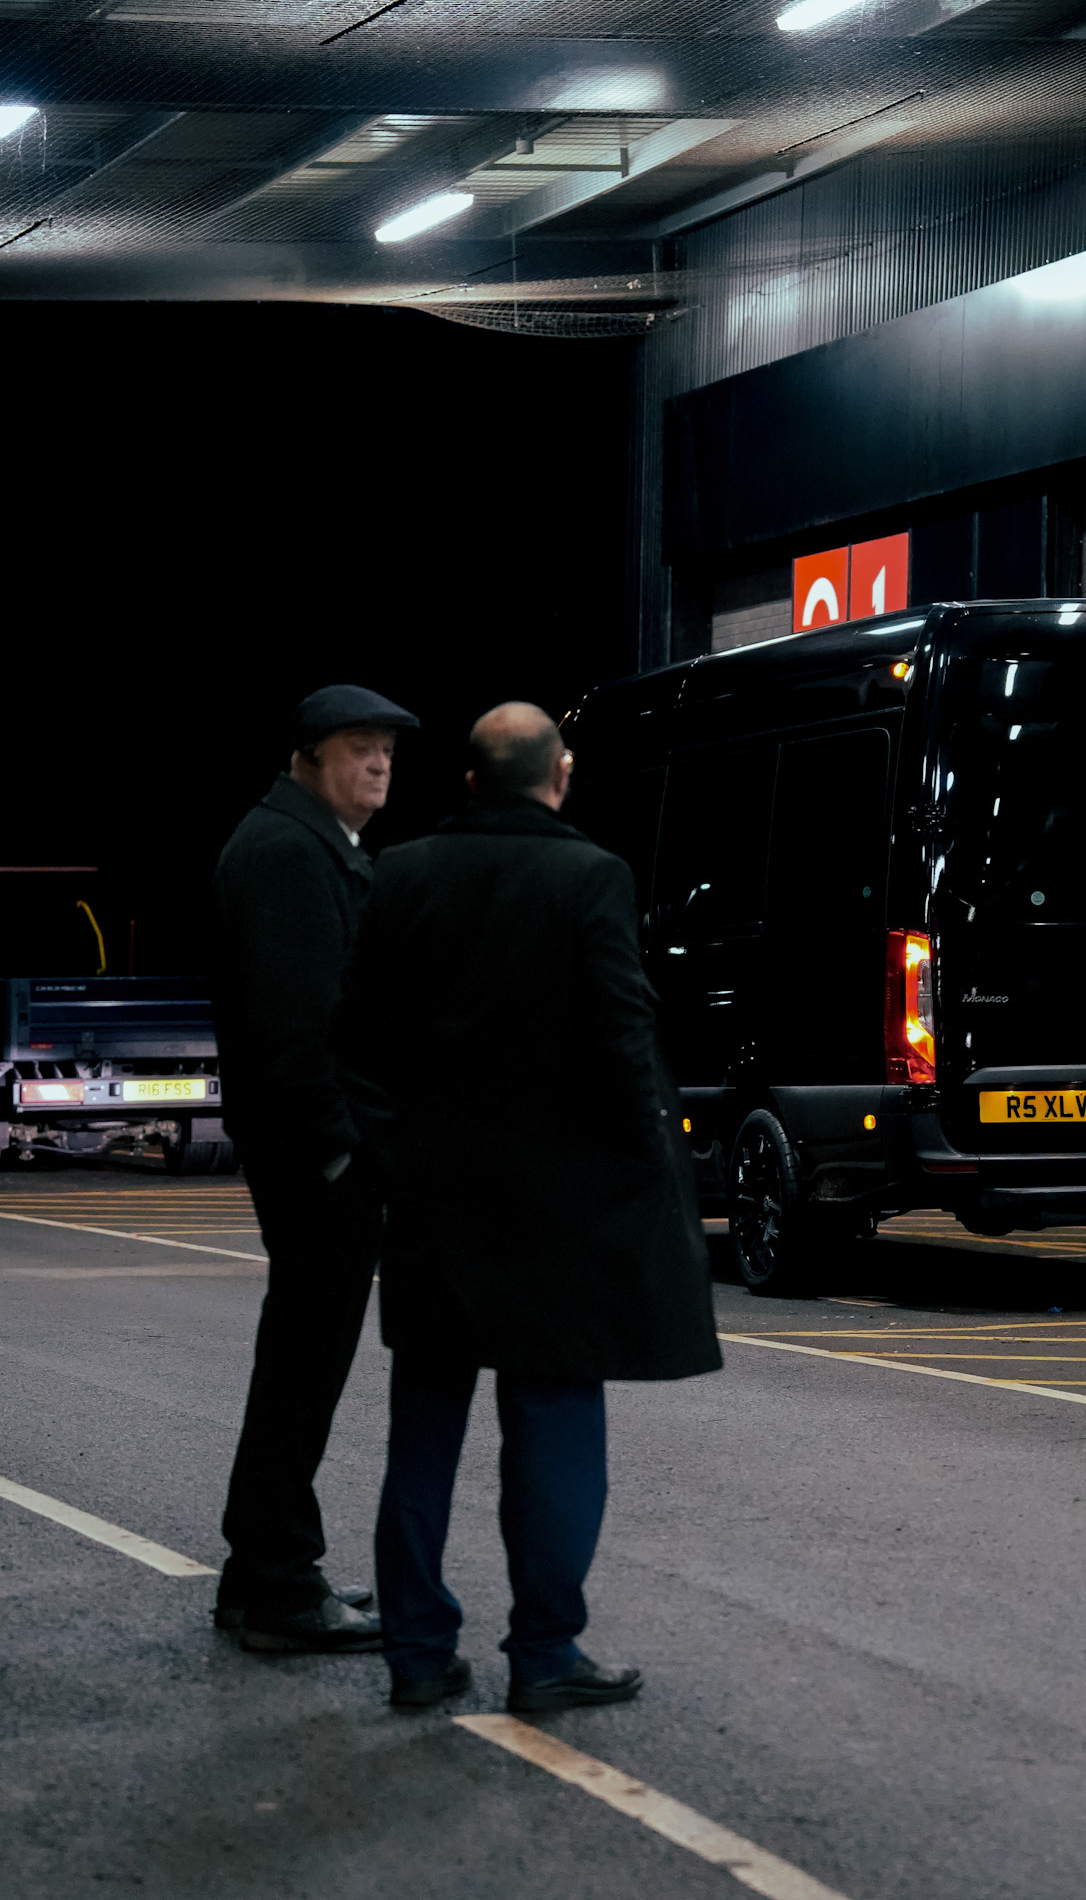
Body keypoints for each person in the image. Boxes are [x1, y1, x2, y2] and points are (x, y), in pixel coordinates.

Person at [335, 701, 720, 1711]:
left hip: (432, 1207)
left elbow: (356, 1044)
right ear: (562, 774)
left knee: (421, 1431)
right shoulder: (589, 876)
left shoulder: (401, 872)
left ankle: (418, 1651)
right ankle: (545, 1650)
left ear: (469, 782)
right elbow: (624, 1044)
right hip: (560, 1215)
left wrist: (394, 1155)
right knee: (553, 1425)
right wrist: (660, 1188)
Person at [212, 684, 420, 1652]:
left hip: (313, 1155)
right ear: (307, 755)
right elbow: (291, 1029)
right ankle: (280, 1584)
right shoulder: (288, 853)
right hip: (315, 1162)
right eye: (359, 749)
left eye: (386, 751)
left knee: (300, 1361)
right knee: (302, 1366)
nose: (378, 765)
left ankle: (261, 1574)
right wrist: (341, 1153)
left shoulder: (310, 843)